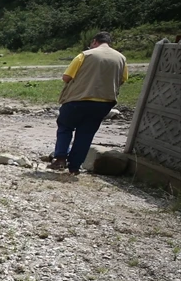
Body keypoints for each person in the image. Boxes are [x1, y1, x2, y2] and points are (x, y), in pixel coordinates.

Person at [50, 31, 128, 175]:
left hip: (78, 99)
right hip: (103, 103)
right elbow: (122, 79)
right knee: (86, 134)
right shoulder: (121, 58)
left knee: (65, 127)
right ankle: (74, 167)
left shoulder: (85, 55)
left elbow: (66, 77)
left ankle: (60, 158)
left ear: (94, 42)